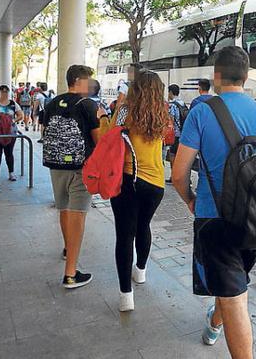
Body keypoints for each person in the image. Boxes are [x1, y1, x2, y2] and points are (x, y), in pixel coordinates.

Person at [172, 46, 256, 359]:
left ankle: (224, 328)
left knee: (236, 296)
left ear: (216, 76)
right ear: (246, 77)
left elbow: (179, 174)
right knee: (233, 282)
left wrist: (191, 200)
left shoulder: (202, 112)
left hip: (214, 217)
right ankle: (214, 322)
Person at [107, 70, 168, 312]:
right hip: (156, 184)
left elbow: (109, 138)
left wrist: (119, 105)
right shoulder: (163, 113)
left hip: (127, 181)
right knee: (143, 227)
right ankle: (140, 272)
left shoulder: (125, 112)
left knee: (124, 235)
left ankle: (126, 297)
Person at [43, 65, 104, 289]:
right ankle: (70, 273)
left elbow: (45, 132)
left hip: (55, 165)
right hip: (81, 168)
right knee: (78, 215)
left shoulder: (51, 103)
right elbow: (100, 141)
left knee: (64, 208)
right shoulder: (88, 104)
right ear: (79, 81)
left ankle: (69, 248)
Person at [0, 85, 24, 182]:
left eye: (6, 92)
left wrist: (12, 121)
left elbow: (20, 115)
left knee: (9, 153)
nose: (4, 94)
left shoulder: (13, 104)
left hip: (10, 132)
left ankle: (11, 172)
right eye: (2, 92)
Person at [167, 84, 188, 168]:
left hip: (175, 135)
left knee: (172, 154)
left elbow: (170, 121)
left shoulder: (173, 105)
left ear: (171, 92)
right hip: (183, 133)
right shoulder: (183, 103)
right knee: (181, 156)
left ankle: (173, 175)